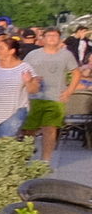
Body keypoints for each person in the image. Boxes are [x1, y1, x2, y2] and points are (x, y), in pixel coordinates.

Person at [25, 26, 74, 162]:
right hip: (34, 97)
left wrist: (69, 91)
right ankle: (25, 155)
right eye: (49, 36)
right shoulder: (33, 54)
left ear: (60, 39)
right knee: (29, 129)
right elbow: (24, 71)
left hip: (55, 97)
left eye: (55, 36)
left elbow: (76, 73)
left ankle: (45, 160)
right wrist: (31, 80)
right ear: (42, 38)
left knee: (50, 129)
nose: (52, 38)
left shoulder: (66, 55)